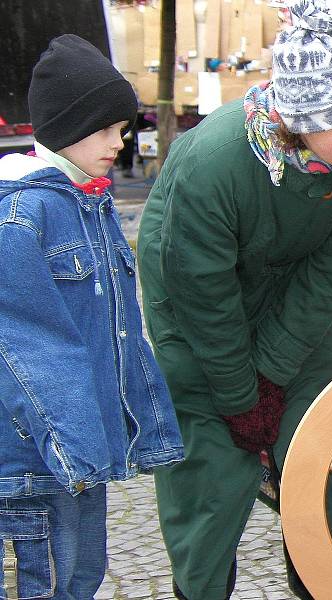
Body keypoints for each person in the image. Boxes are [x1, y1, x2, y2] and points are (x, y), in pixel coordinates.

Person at [136, 0, 332, 598]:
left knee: (311, 452)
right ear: (299, 119)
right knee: (212, 469)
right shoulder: (213, 162)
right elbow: (202, 292)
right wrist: (238, 395)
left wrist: (273, 374)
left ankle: (325, 585)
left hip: (295, 307)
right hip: (192, 304)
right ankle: (201, 586)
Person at [0, 34, 184, 599]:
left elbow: (123, 332)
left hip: (79, 452)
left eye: (122, 128)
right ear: (65, 128)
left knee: (81, 577)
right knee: (45, 584)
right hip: (32, 459)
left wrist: (136, 428)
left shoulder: (90, 204)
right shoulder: (22, 217)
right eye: (105, 129)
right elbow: (27, 345)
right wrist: (71, 441)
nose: (118, 141)